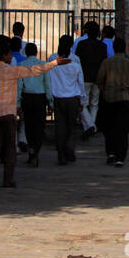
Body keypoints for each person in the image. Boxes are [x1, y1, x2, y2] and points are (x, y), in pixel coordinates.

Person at [0, 36, 69, 189]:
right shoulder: (12, 70)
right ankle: (8, 180)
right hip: (8, 113)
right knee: (10, 147)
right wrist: (54, 63)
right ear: (5, 56)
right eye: (9, 54)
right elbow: (34, 70)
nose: (12, 56)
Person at [96, 38, 129, 167]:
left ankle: (111, 153)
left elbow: (100, 80)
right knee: (122, 129)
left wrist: (104, 93)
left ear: (113, 48)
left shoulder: (107, 62)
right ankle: (120, 156)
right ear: (125, 48)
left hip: (109, 98)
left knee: (109, 127)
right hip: (123, 98)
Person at [48, 35, 86, 165]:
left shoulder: (52, 60)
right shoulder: (75, 62)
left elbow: (49, 80)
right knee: (71, 127)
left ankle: (61, 153)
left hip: (58, 97)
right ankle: (69, 149)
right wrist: (82, 99)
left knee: (60, 128)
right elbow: (80, 82)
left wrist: (50, 100)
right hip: (72, 98)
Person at [17, 43, 52, 167]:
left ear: (25, 53)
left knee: (29, 125)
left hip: (27, 97)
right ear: (36, 52)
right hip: (40, 98)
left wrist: (17, 103)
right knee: (39, 126)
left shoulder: (21, 65)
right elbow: (47, 84)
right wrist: (50, 102)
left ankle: (31, 147)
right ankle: (35, 150)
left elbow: (19, 86)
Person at [73, 21, 107, 136]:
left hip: (85, 77)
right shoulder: (102, 46)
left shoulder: (82, 44)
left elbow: (77, 61)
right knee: (94, 103)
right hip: (97, 77)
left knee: (83, 103)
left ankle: (90, 126)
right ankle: (91, 126)